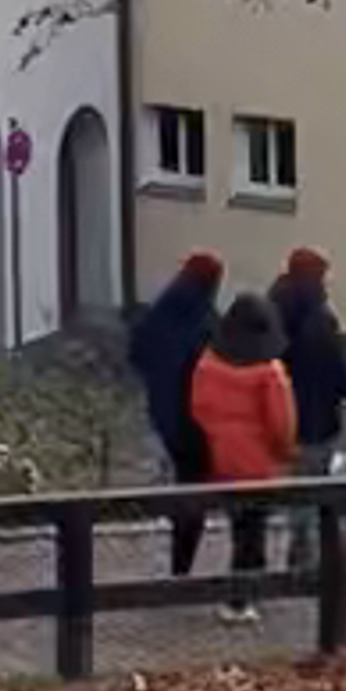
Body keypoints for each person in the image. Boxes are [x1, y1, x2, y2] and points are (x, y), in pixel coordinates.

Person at [267, 245, 346, 562]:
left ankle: (292, 556)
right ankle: (304, 562)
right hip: (316, 422)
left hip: (280, 420)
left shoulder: (272, 310)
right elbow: (337, 375)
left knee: (291, 493)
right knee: (313, 493)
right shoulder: (319, 320)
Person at [186, 291, 304, 609]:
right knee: (253, 533)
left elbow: (197, 410)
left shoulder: (208, 363)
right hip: (256, 466)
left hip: (219, 460)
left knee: (238, 527)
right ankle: (243, 598)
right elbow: (281, 424)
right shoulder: (269, 372)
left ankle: (240, 594)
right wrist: (286, 453)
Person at [130, 246, 230, 575]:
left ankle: (179, 561)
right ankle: (182, 565)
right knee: (194, 489)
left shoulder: (161, 309)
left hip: (164, 413)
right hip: (196, 421)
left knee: (183, 482)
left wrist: (159, 381)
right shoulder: (206, 320)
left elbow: (137, 353)